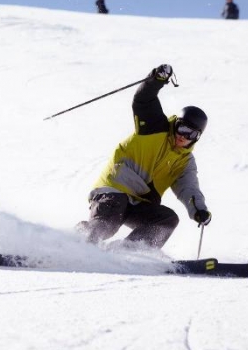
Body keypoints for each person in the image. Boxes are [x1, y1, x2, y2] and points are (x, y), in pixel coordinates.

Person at [76, 64, 212, 249]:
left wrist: (199, 210)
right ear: (176, 124)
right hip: (116, 189)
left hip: (140, 203)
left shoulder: (185, 162)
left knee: (167, 219)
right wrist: (155, 80)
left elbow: (189, 189)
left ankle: (129, 252)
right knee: (110, 222)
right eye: (182, 128)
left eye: (191, 134)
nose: (183, 136)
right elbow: (143, 100)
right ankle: (78, 245)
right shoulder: (155, 128)